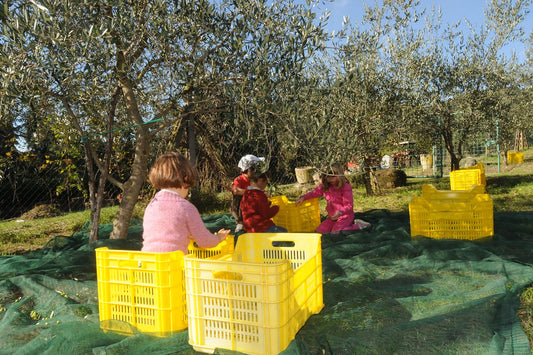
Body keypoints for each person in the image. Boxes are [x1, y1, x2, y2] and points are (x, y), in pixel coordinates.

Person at [142, 152, 231, 253]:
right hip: (173, 264)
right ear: (186, 180)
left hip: (148, 262)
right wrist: (218, 238)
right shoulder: (186, 208)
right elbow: (205, 241)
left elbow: (163, 234)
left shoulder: (151, 205)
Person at [296, 162, 370, 233]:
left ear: (340, 175)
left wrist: (340, 212)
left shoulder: (345, 187)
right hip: (332, 217)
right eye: (327, 176)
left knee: (336, 233)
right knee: (320, 231)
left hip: (345, 216)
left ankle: (358, 226)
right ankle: (348, 226)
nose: (330, 179)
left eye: (333, 176)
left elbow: (349, 206)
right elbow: (314, 192)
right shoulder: (325, 187)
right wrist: (303, 197)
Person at [231, 154, 265, 233]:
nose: (257, 170)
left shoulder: (255, 180)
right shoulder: (239, 180)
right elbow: (235, 190)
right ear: (249, 169)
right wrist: (252, 193)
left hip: (252, 211)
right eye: (255, 167)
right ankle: (240, 222)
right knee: (240, 197)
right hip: (241, 211)